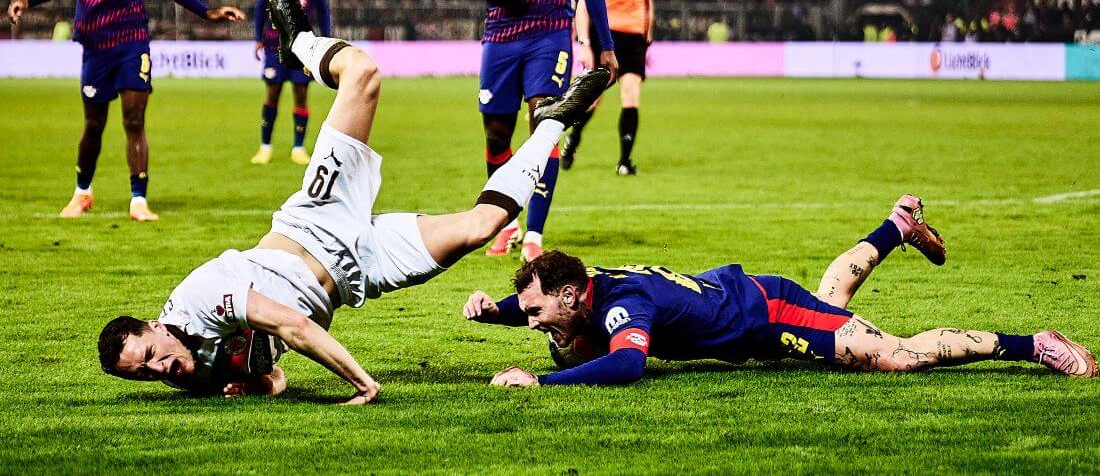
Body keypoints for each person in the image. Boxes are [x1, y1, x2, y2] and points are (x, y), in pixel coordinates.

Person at [96, 0, 611, 403]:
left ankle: (296, 40)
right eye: (145, 376)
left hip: (315, 220)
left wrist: (361, 382)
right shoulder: (193, 373)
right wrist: (262, 381)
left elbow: (293, 325)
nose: (161, 370)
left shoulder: (199, 300)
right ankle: (550, 124)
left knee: (362, 74)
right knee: (482, 227)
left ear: (154, 325)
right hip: (357, 269)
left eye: (149, 356)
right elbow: (275, 371)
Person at [464, 196, 1096, 385]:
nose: (532, 320)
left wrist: (540, 381)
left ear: (574, 296)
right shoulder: (587, 284)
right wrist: (496, 312)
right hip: (753, 297)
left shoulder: (625, 308)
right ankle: (896, 225)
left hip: (767, 314)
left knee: (895, 355)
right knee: (832, 302)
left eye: (540, 310)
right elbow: (534, 303)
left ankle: (1035, 344)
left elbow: (629, 363)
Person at [6, 0, 244, 221]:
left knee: (134, 119)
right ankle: (82, 194)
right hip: (95, 45)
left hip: (132, 42)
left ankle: (138, 201)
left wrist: (206, 12)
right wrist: (27, 0)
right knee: (94, 125)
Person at [463, 0, 618, 262]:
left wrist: (605, 46)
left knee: (544, 122)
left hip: (550, 33)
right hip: (500, 35)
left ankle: (534, 233)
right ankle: (504, 223)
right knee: (496, 131)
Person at [564, 0, 661, 176]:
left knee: (630, 95)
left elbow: (648, 1)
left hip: (634, 40)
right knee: (593, 100)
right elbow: (583, 5)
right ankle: (573, 140)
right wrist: (583, 42)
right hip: (604, 38)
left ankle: (624, 162)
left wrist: (647, 34)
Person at [251, 0, 331, 166]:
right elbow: (259, 6)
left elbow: (323, 10)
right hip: (274, 44)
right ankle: (265, 147)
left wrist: (326, 39)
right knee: (272, 93)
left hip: (303, 46)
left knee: (301, 94)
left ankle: (298, 148)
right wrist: (258, 38)